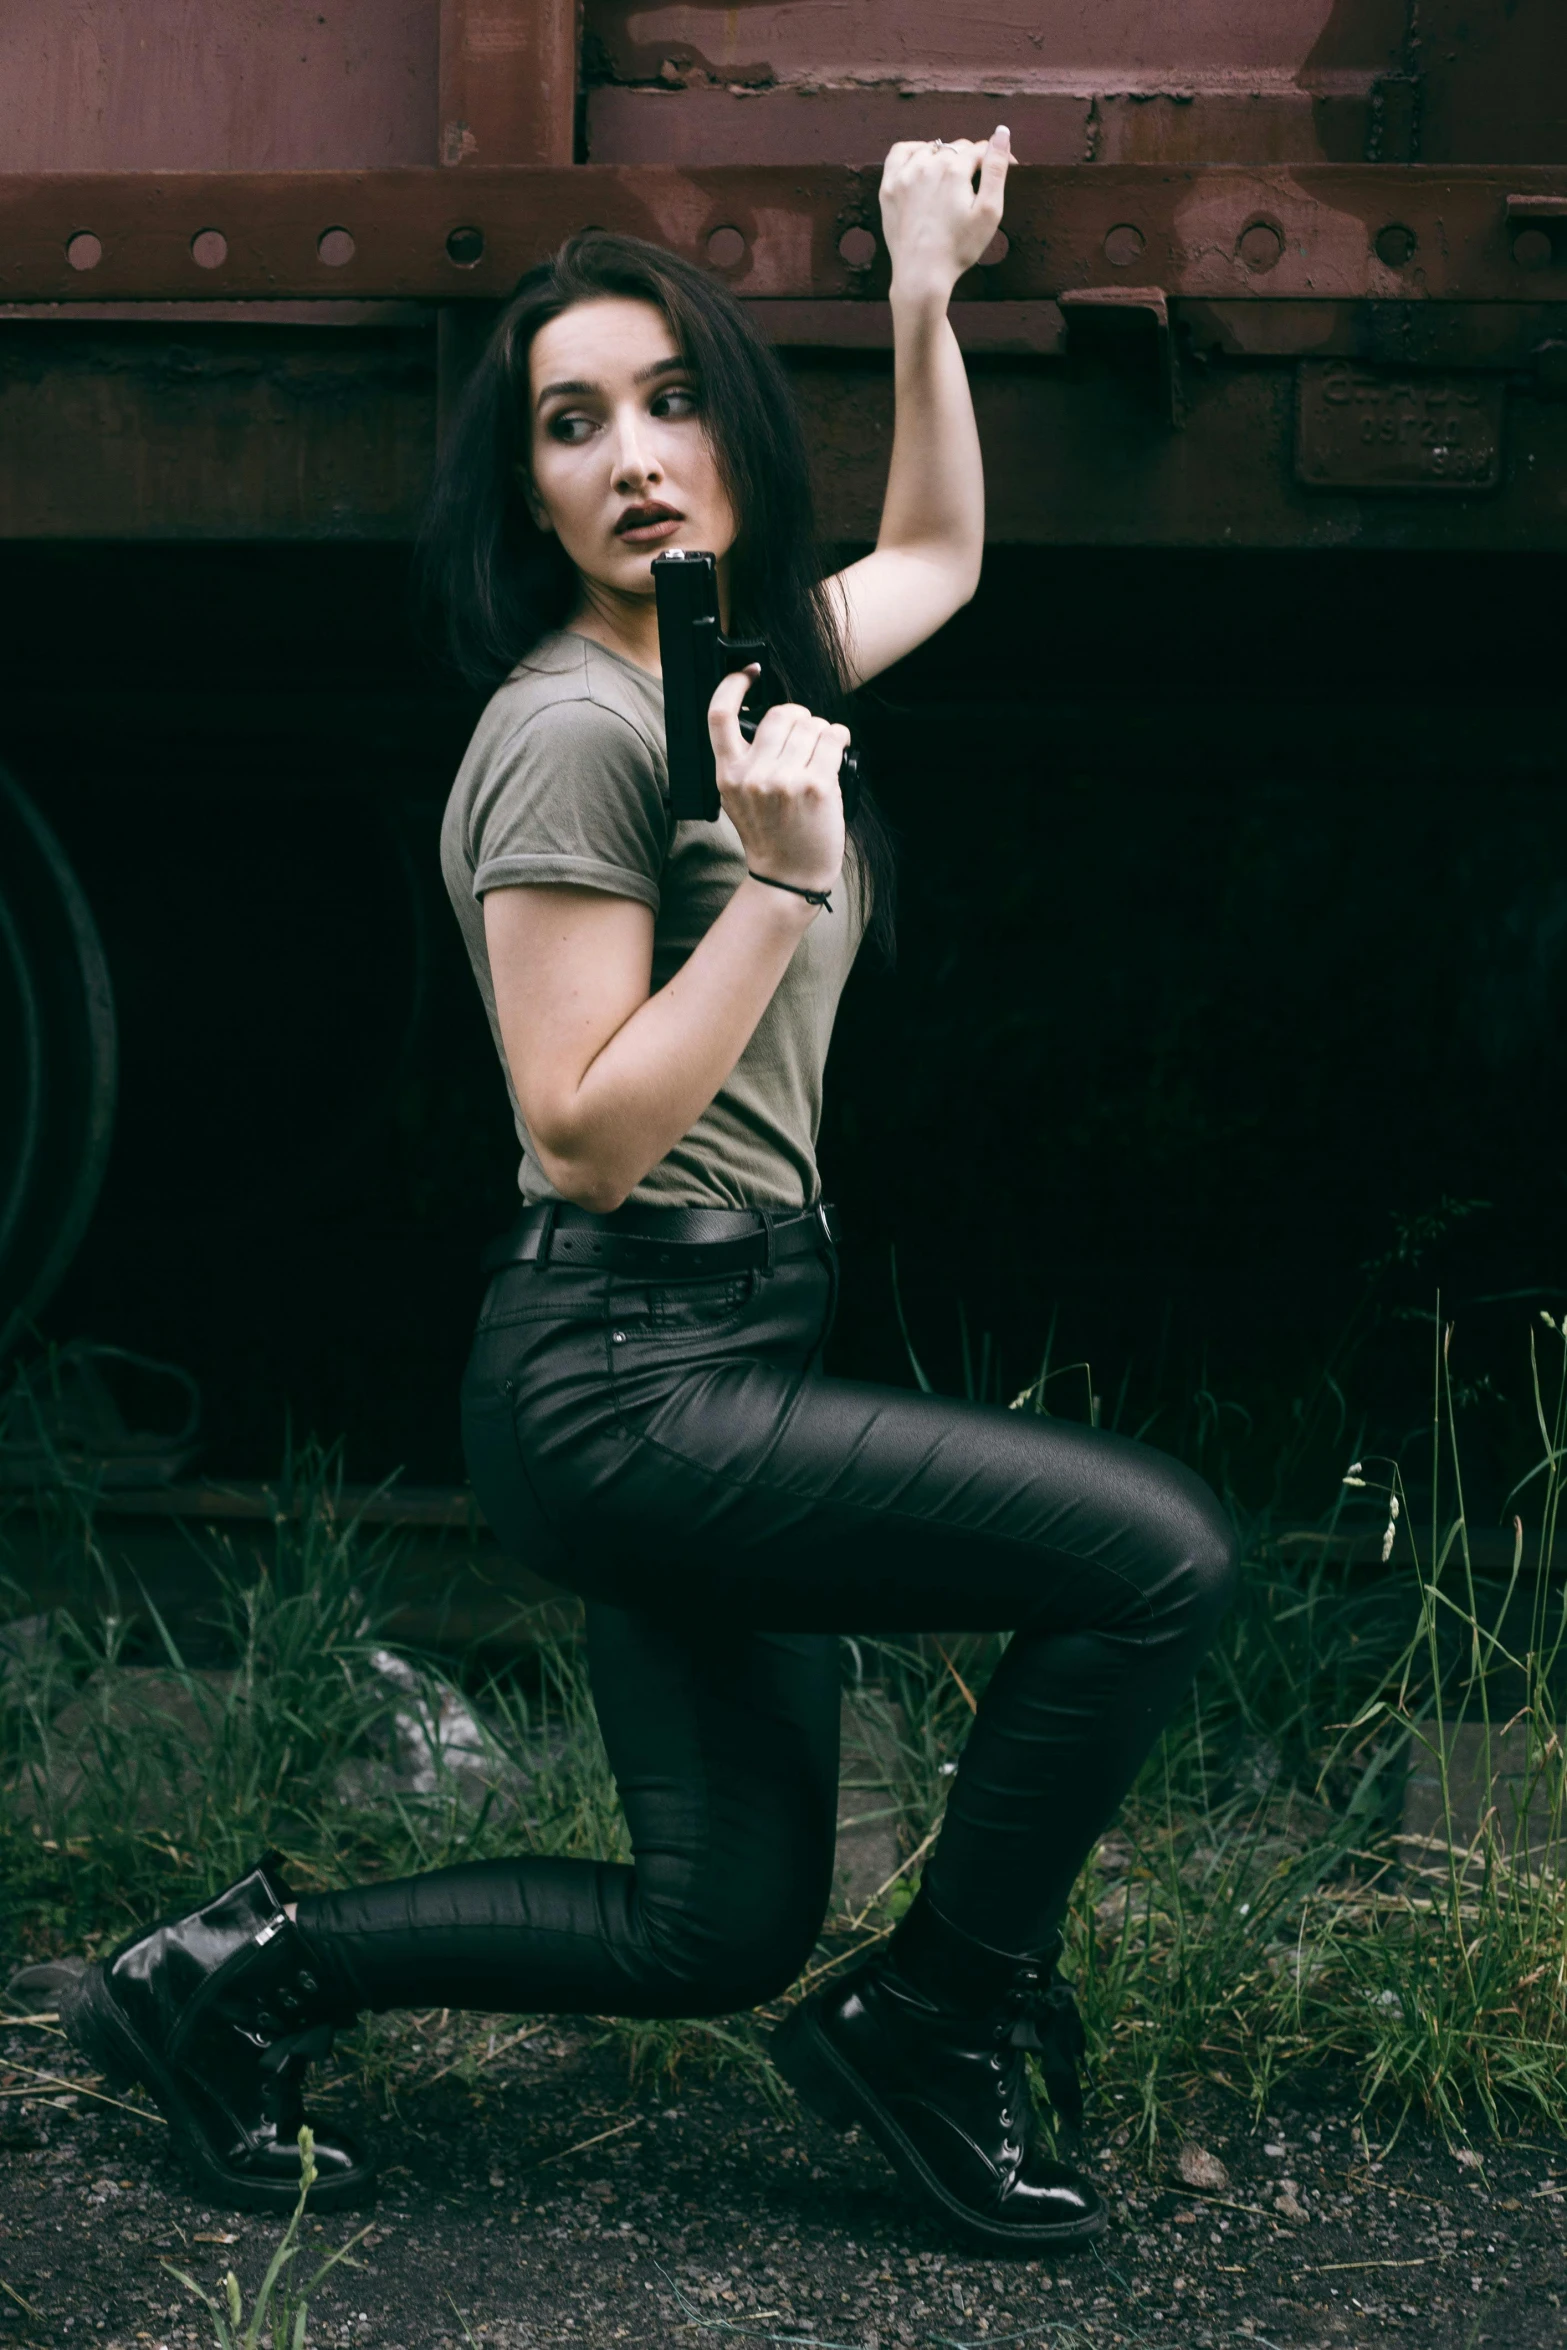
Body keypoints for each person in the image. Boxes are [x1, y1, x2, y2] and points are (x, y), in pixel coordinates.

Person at [63, 132, 1237, 2250]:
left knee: (716, 1923)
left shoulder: (744, 674)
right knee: (1153, 1558)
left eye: (672, 397)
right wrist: (783, 886)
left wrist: (915, 286)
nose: (631, 453)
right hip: (627, 1376)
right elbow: (583, 1121)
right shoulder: (570, 732)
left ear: (733, 430)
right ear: (524, 492)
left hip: (727, 1345)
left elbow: (946, 555)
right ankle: (947, 2014)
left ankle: (230, 1980)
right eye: (570, 421)